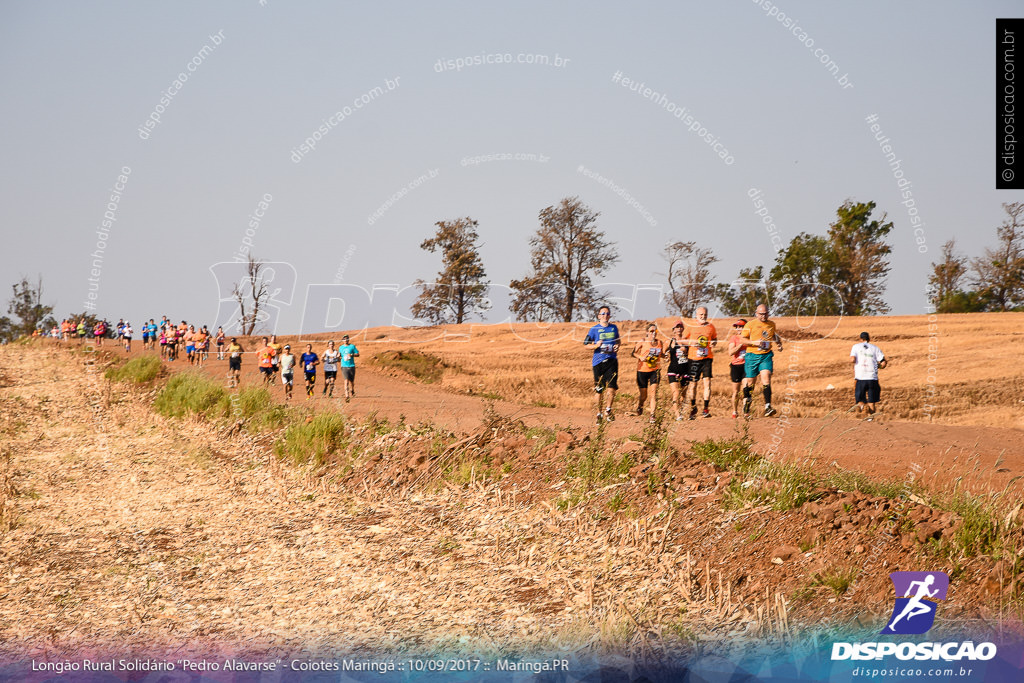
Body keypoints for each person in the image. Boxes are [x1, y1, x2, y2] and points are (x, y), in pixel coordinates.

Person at [740, 304, 784, 417]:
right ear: (756, 314)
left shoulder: (771, 324)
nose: (763, 316)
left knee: (766, 377)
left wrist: (779, 343)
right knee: (750, 382)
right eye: (761, 314)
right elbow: (742, 339)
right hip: (752, 356)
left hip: (766, 355)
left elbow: (774, 335)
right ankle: (747, 405)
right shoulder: (750, 324)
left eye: (765, 314)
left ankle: (768, 406)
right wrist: (754, 342)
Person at [583, 305, 621, 424]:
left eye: (607, 313)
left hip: (612, 361)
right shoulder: (594, 329)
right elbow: (585, 344)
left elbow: (618, 340)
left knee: (612, 388)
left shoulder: (614, 328)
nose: (605, 316)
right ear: (599, 316)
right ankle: (598, 413)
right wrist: (595, 346)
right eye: (603, 313)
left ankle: (608, 410)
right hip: (598, 362)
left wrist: (617, 346)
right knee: (599, 390)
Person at [683, 306, 717, 419]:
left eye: (705, 315)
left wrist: (713, 343)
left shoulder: (711, 327)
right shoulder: (691, 326)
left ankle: (705, 409)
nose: (703, 317)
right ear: (696, 315)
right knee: (693, 385)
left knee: (707, 383)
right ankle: (693, 408)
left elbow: (714, 338)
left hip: (707, 358)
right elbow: (683, 340)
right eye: (701, 315)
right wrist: (692, 343)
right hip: (693, 359)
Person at [631, 323, 664, 422]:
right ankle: (640, 405)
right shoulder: (643, 341)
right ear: (647, 332)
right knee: (644, 395)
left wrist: (665, 357)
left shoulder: (659, 342)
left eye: (655, 331)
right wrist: (640, 357)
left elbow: (660, 354)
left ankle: (652, 415)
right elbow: (633, 353)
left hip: (655, 370)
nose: (653, 333)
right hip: (642, 370)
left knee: (653, 393)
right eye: (651, 331)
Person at [851, 331, 887, 421]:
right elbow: (883, 363)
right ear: (869, 339)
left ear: (860, 339)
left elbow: (852, 359)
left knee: (860, 400)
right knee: (872, 401)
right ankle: (870, 420)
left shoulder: (856, 347)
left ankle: (863, 407)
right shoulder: (875, 348)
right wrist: (878, 366)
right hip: (873, 378)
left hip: (860, 377)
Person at [665, 322, 691, 421]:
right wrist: (666, 355)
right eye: (677, 327)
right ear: (674, 330)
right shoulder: (670, 341)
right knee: (676, 393)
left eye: (681, 327)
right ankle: (677, 415)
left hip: (685, 370)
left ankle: (682, 412)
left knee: (684, 394)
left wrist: (686, 351)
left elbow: (691, 353)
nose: (679, 329)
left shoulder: (687, 341)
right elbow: (663, 352)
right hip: (673, 370)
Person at [726, 319, 748, 419]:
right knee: (736, 391)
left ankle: (746, 411)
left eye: (741, 326)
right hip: (736, 366)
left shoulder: (749, 338)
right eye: (737, 327)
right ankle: (734, 411)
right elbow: (731, 352)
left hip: (747, 365)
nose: (739, 328)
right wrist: (740, 344)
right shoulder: (734, 338)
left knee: (746, 388)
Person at [339, 334, 360, 401]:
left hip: (351, 366)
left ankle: (352, 390)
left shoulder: (352, 346)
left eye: (347, 339)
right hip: (344, 366)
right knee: (346, 381)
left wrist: (351, 355)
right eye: (344, 339)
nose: (346, 340)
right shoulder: (340, 347)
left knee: (352, 381)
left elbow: (358, 354)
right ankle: (347, 395)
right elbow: (339, 356)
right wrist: (339, 357)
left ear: (348, 340)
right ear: (343, 340)